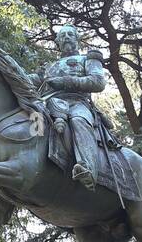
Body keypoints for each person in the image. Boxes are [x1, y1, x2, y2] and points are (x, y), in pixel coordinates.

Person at [34, 25, 107, 190]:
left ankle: (87, 168)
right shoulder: (49, 66)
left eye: (70, 34)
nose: (66, 37)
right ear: (58, 41)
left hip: (77, 102)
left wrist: (66, 81)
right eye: (63, 35)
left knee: (78, 120)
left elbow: (98, 82)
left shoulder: (88, 59)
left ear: (77, 39)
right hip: (48, 103)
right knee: (32, 118)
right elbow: (31, 80)